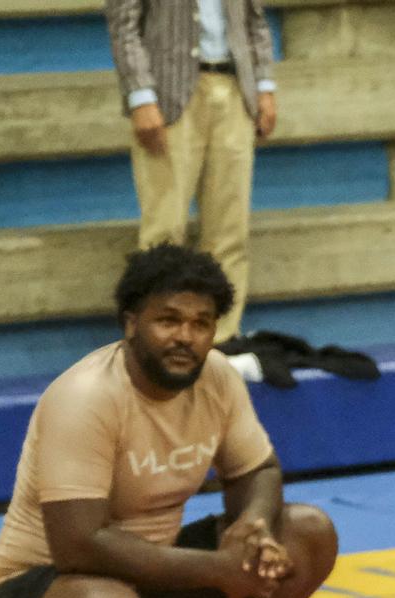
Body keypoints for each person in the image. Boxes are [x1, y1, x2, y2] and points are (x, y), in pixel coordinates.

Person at [0, 245, 337, 598]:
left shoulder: (217, 377)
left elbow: (258, 471)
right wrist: (221, 570)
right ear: (132, 323)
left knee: (307, 533)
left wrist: (253, 528)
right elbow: (78, 544)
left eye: (201, 323)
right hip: (51, 589)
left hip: (149, 575)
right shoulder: (85, 396)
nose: (186, 336)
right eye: (168, 319)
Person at [106, 0, 278, 343]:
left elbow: (254, 20)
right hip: (168, 95)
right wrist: (140, 96)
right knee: (164, 230)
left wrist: (264, 86)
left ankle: (221, 338)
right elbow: (123, 25)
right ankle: (158, 340)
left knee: (230, 229)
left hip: (234, 89)